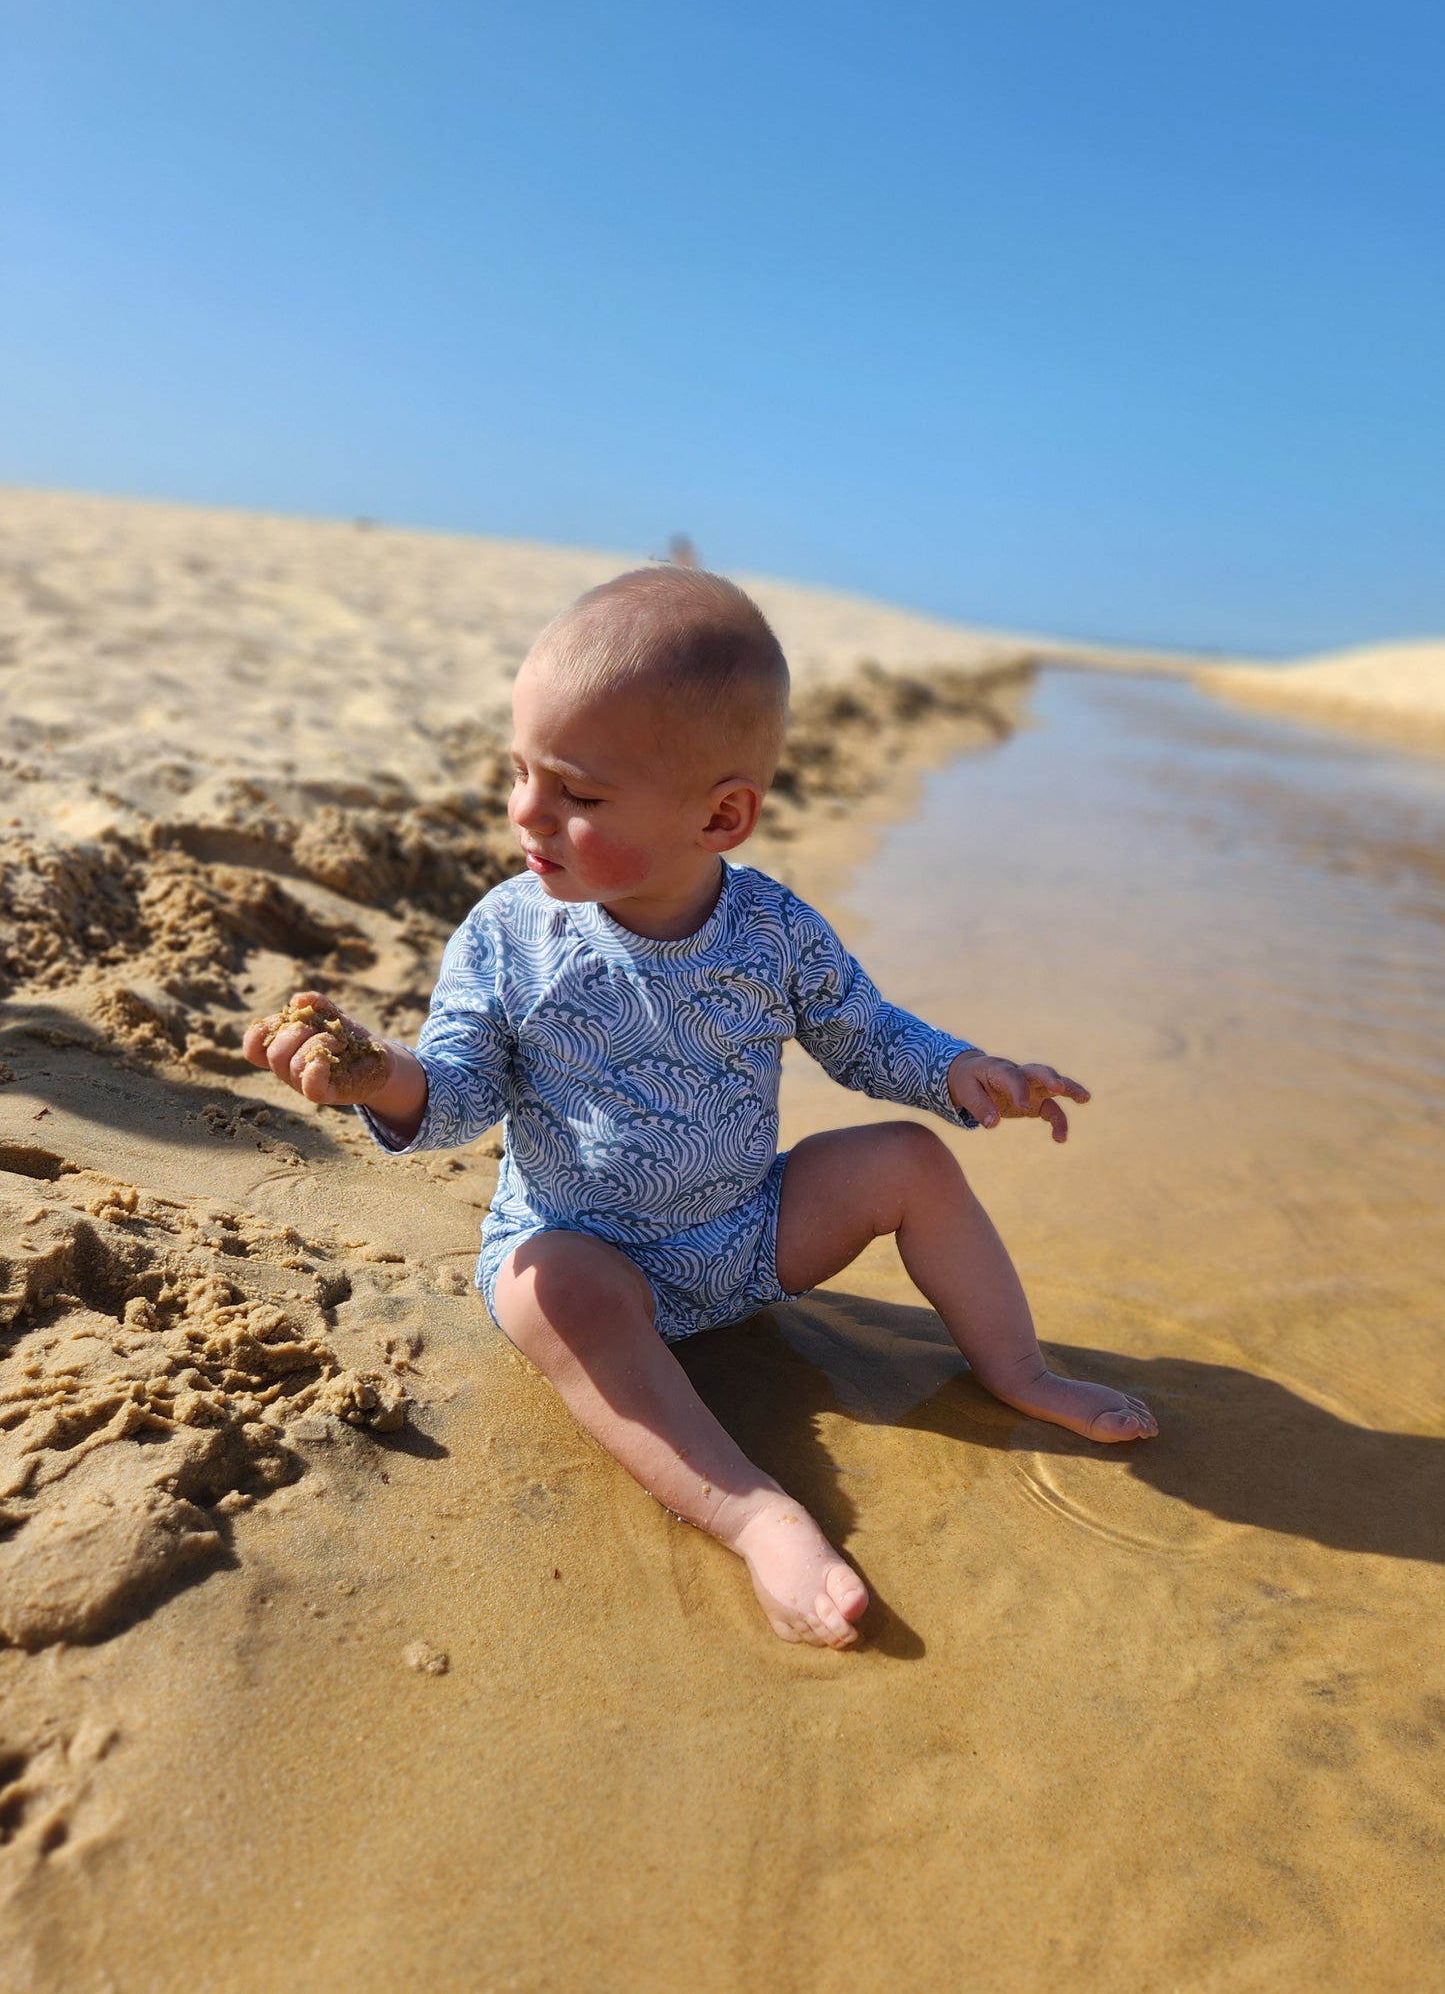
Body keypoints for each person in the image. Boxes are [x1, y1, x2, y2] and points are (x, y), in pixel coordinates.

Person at [245, 568, 1155, 1648]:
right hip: (593, 1252)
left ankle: (1019, 1368)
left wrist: (960, 1073)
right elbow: (456, 1093)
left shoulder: (771, 931)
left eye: (578, 796)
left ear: (721, 814)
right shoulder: (507, 934)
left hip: (747, 1237)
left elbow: (862, 1032)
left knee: (908, 1157)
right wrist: (378, 1075)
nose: (526, 813)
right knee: (542, 1286)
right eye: (518, 772)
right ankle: (753, 1511)